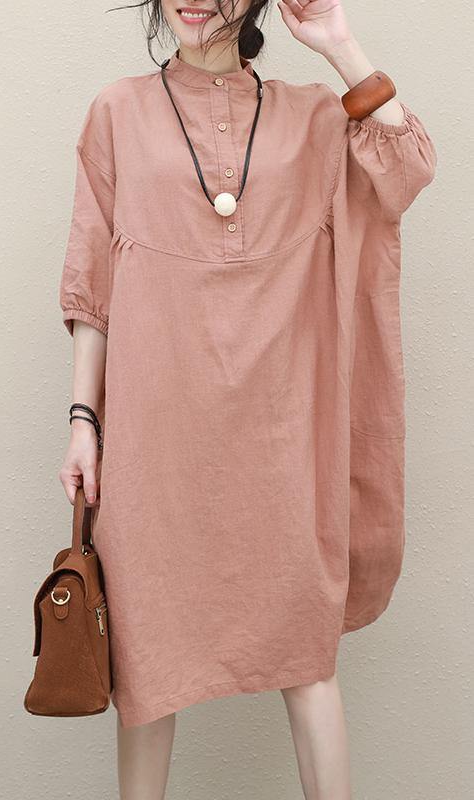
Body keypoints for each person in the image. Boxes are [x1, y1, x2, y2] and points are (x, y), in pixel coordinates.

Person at [57, 1, 437, 797]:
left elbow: (406, 167)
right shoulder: (117, 112)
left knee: (307, 662)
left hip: (282, 443)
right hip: (156, 445)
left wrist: (337, 42)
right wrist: (84, 420)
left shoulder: (312, 118)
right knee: (148, 673)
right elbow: (93, 282)